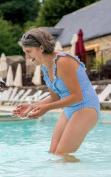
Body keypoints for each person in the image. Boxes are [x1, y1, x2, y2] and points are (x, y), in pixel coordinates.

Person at [13, 28, 100, 156]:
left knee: (62, 155)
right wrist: (32, 106)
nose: (27, 56)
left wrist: (46, 108)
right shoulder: (46, 67)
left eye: (28, 51)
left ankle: (83, 176)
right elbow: (55, 98)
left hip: (86, 107)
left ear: (41, 48)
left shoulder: (63, 61)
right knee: (53, 153)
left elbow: (77, 97)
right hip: (70, 109)